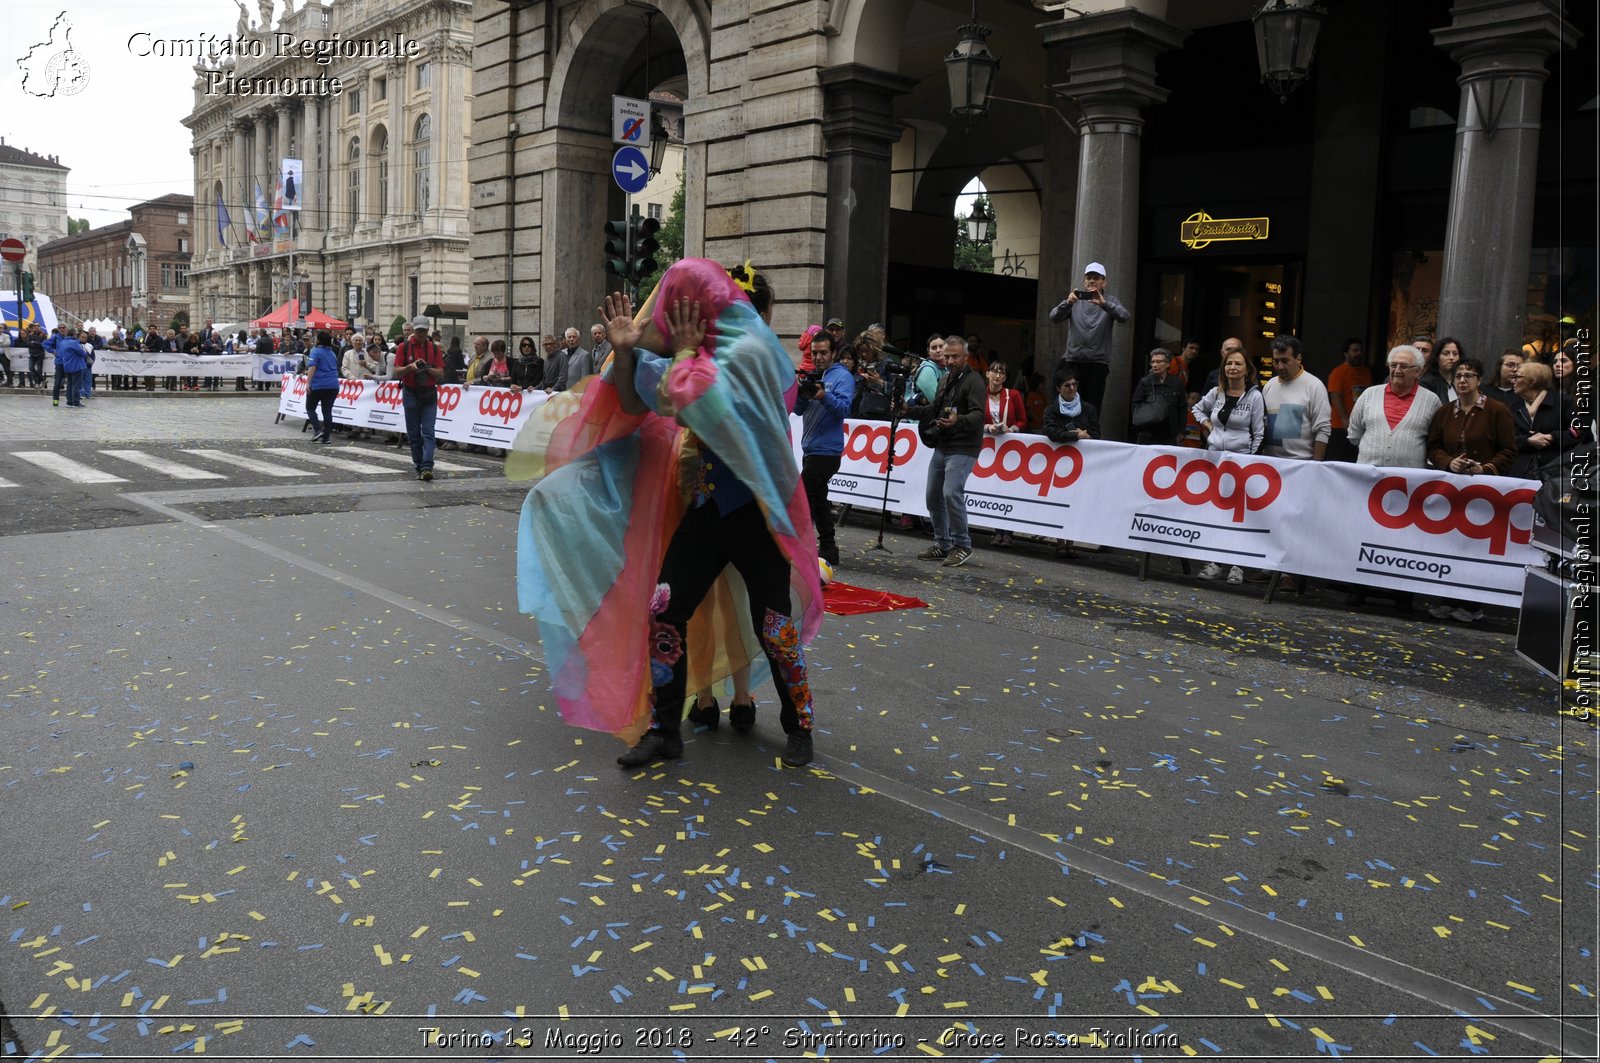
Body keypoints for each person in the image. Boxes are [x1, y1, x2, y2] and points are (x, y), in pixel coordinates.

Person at [510, 260, 822, 769]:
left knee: (774, 626)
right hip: (706, 510)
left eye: (679, 307)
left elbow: (695, 396)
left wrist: (672, 351)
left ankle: (800, 723)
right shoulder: (696, 353)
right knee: (664, 611)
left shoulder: (754, 351)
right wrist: (627, 350)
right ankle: (663, 730)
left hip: (756, 515)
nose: (670, 316)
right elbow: (637, 397)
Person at [1424, 358, 1518, 623]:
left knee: (1474, 546)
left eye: (1469, 375)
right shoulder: (1445, 412)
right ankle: (1447, 600)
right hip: (1452, 488)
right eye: (1458, 376)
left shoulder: (1497, 410)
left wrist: (1485, 468)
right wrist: (1448, 462)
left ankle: (1472, 604)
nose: (1463, 380)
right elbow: (1433, 446)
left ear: (1479, 380)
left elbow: (1509, 450)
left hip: (1484, 490)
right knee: (1448, 544)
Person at [1189, 347, 1266, 583]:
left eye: (1238, 364)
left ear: (1247, 369)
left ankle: (1238, 566)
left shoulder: (1254, 396)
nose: (1233, 367)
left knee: (1239, 517)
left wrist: (1250, 462)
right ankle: (1214, 562)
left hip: (1241, 463)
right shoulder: (1216, 392)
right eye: (1229, 363)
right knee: (1216, 514)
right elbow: (1197, 408)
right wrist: (1207, 426)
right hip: (1215, 461)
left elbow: (1260, 433)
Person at [914, 336, 986, 568]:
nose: (950, 360)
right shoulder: (944, 378)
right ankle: (942, 544)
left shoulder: (974, 380)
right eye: (947, 356)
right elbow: (934, 409)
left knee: (951, 493)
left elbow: (978, 415)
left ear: (966, 357)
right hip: (943, 445)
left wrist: (958, 420)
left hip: (964, 447)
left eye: (955, 356)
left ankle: (962, 545)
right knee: (933, 496)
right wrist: (908, 409)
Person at [792, 328, 855, 567]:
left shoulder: (842, 376)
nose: (818, 357)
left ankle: (799, 547)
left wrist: (823, 396)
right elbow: (798, 410)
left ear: (834, 353)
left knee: (803, 496)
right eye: (814, 353)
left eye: (823, 353)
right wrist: (801, 391)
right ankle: (829, 548)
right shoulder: (813, 374)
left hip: (827, 451)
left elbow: (844, 409)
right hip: (811, 449)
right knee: (819, 499)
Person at [1047, 261, 1129, 412]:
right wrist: (1068, 303)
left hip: (1097, 363)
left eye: (1096, 278)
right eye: (1088, 277)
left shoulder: (1110, 301)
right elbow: (1054, 317)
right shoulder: (1075, 300)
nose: (1091, 281)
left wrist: (1104, 304)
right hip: (1073, 361)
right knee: (1067, 403)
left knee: (1092, 407)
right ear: (1084, 281)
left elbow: (1124, 317)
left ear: (1104, 282)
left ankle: (1090, 434)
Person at [1346, 344, 1441, 469]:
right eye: (1393, 365)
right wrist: (1374, 449)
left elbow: (1436, 441)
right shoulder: (1369, 394)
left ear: (1418, 371)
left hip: (1409, 479)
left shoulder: (1431, 401)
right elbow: (1354, 433)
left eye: (1404, 366)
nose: (1397, 370)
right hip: (1368, 476)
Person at [1041, 367, 1098, 560]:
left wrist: (1085, 435)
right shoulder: (1051, 410)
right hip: (1060, 464)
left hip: (1082, 464)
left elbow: (1096, 434)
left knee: (1076, 503)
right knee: (1060, 502)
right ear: (1058, 388)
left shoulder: (1088, 408)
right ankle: (1059, 542)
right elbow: (1051, 432)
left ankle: (1071, 543)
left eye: (1074, 384)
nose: (1072, 388)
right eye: (1067, 385)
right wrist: (1075, 435)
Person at [1261, 335, 1331, 461]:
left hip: (1300, 463)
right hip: (1269, 463)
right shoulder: (1269, 385)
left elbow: (1323, 430)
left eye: (1285, 361)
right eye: (1276, 361)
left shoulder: (1314, 386)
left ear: (1298, 359)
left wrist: (1316, 466)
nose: (1280, 366)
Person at [1509, 361, 1581, 478]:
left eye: (1517, 377)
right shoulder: (1514, 407)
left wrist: (1552, 437)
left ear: (1532, 382)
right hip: (1520, 471)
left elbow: (1578, 431)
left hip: (1556, 471)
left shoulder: (1562, 402)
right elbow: (1507, 439)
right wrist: (1528, 440)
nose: (1513, 381)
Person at [982, 358, 1026, 547]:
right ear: (987, 374)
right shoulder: (979, 394)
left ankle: (1007, 533)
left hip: (1010, 448)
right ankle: (996, 531)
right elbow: (974, 418)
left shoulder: (1013, 395)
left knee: (1008, 490)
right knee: (991, 489)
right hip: (987, 449)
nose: (998, 375)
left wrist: (1012, 430)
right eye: (995, 371)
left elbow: (1023, 420)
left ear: (1006, 377)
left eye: (1002, 372)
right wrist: (988, 428)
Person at [394, 314, 443, 481]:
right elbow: (397, 371)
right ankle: (418, 465)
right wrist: (411, 367)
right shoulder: (404, 347)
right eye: (419, 330)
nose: (421, 334)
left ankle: (427, 466)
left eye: (424, 330)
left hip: (429, 393)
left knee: (428, 431)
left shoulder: (434, 348)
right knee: (414, 433)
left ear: (427, 330)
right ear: (413, 330)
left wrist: (427, 368)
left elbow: (440, 373)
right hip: (411, 392)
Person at [1325, 338, 1370, 462]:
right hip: (1340, 427)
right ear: (1346, 353)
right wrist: (1345, 420)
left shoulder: (1365, 372)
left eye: (1360, 350)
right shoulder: (1338, 372)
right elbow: (1335, 397)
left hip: (1361, 426)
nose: (1359, 353)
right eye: (1354, 350)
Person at [1129, 348, 1187, 446]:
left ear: (1168, 364)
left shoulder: (1176, 383)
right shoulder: (1145, 382)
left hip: (1170, 433)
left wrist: (1182, 430)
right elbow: (1135, 405)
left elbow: (1182, 408)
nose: (1155, 365)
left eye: (1159, 362)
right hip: (1148, 433)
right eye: (1153, 362)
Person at [303, 330, 341, 444]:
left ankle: (317, 429)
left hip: (319, 384)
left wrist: (308, 383)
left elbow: (312, 367)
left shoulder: (315, 351)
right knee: (327, 411)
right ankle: (326, 437)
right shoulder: (332, 353)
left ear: (318, 340)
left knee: (310, 408)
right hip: (333, 385)